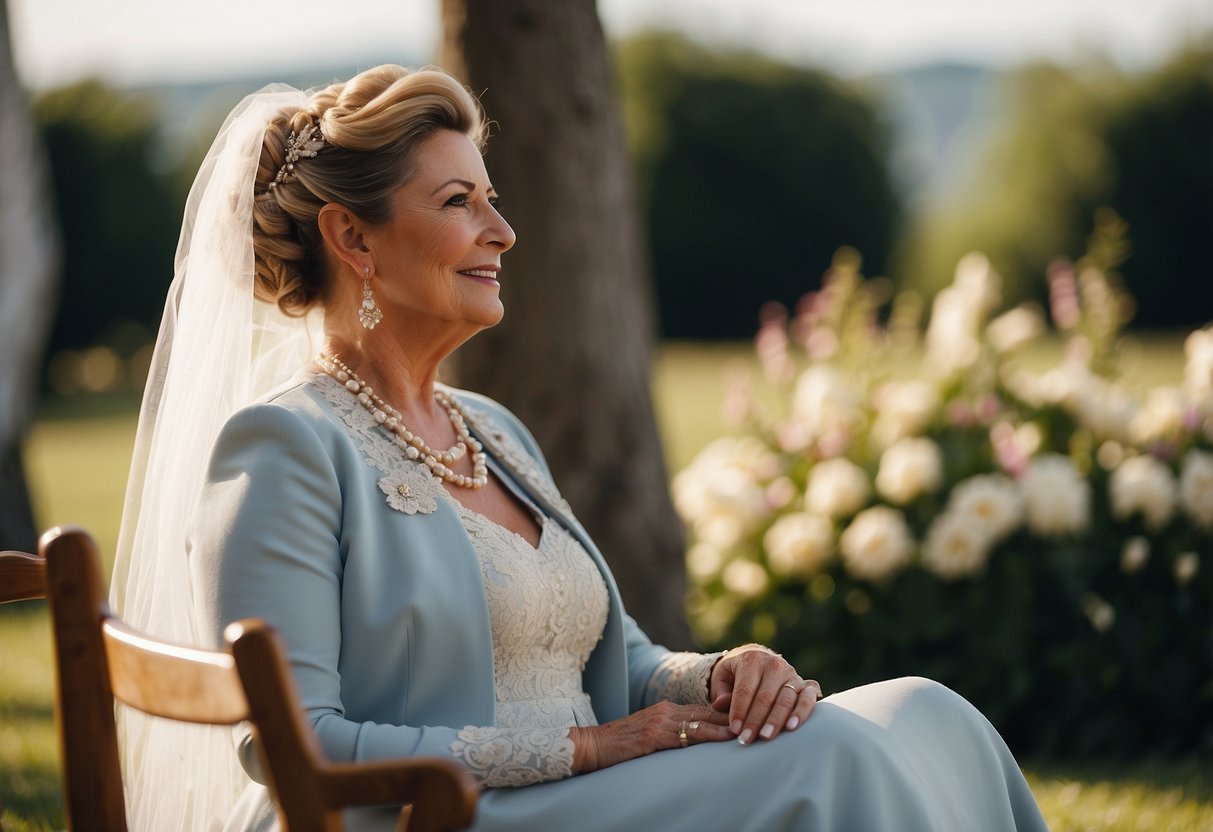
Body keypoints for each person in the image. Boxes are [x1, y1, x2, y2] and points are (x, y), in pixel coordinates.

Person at [109, 64, 1048, 831]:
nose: (502, 231)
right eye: (457, 203)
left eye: (492, 198)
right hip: (446, 817)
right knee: (832, 755)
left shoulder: (496, 431)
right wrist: (591, 747)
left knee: (931, 713)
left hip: (596, 793)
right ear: (352, 236)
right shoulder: (283, 447)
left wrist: (716, 676)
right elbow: (291, 746)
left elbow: (619, 660)